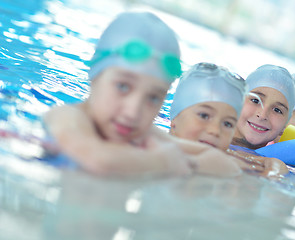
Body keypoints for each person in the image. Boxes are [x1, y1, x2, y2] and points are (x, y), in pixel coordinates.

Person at [43, 12, 244, 178]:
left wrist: (184, 163)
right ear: (95, 75)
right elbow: (99, 161)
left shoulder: (141, 134)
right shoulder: (67, 117)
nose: (133, 112)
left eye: (153, 98)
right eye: (123, 86)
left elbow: (225, 164)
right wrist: (164, 162)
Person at [169, 62, 289, 176]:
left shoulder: (227, 162)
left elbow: (273, 166)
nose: (215, 130)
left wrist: (273, 168)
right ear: (175, 117)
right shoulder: (155, 145)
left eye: (227, 124)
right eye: (204, 116)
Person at [232, 64, 295, 150]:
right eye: (255, 101)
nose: (262, 115)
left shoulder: (274, 162)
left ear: (285, 125)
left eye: (277, 110)